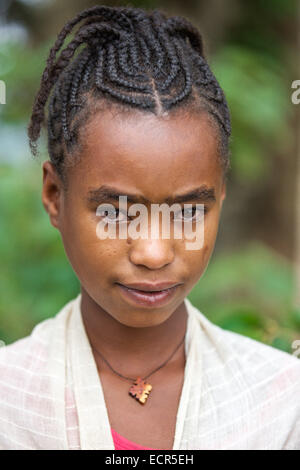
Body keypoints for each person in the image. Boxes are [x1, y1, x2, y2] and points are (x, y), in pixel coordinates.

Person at [0, 4, 299, 451]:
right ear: (54, 196)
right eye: (117, 212)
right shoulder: (12, 404)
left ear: (221, 197)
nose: (154, 252)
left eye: (188, 212)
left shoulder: (279, 403)